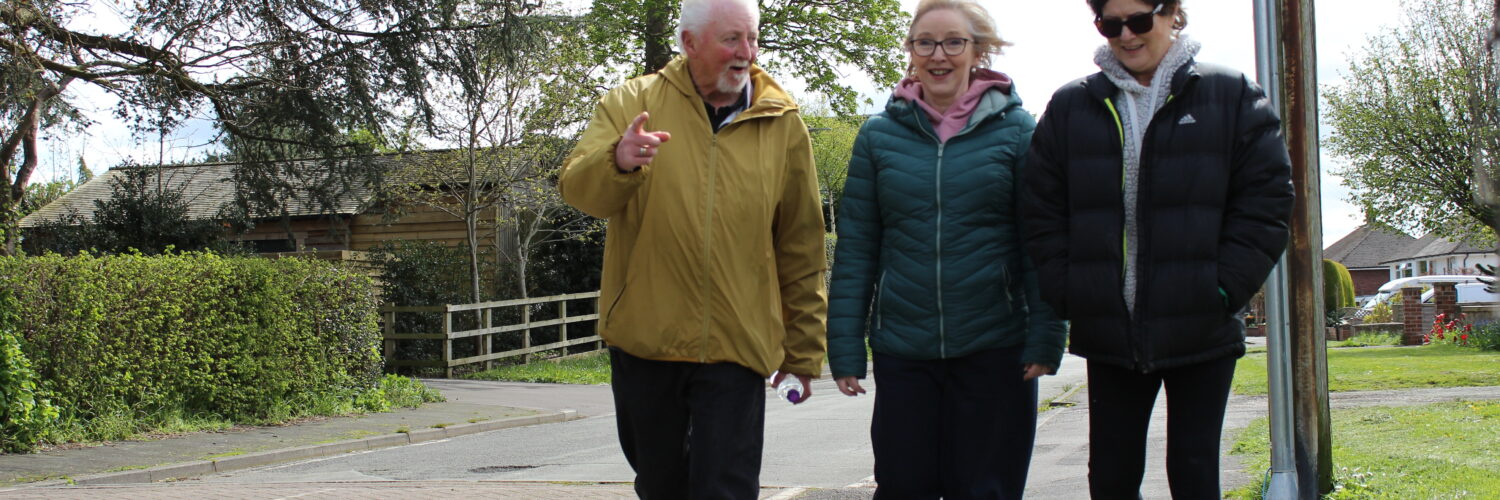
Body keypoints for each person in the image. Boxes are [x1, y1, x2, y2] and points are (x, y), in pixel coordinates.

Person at [1019, 0, 1294, 497]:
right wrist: (1071, 290)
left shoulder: (1230, 94)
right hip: (1108, 324)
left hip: (1201, 322)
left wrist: (1221, 287)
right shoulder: (1071, 105)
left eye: (1139, 21)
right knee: (1111, 475)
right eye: (1110, 24)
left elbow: (1267, 202)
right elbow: (1041, 209)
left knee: (1193, 470)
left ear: (1172, 15)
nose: (1126, 35)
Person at [556, 0, 829, 497]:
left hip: (739, 347)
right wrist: (616, 160)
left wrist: (804, 352)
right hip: (646, 339)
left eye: (752, 38)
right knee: (661, 486)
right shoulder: (630, 103)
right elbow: (579, 191)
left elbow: (801, 245)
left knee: (727, 487)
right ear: (689, 43)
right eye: (731, 39)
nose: (746, 52)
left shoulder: (782, 120)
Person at [826, 0, 1066, 497]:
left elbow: (1038, 243)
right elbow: (856, 249)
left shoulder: (1018, 131)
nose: (939, 55)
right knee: (903, 486)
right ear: (911, 51)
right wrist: (845, 347)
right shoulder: (878, 137)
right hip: (903, 350)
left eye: (954, 41)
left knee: (986, 489)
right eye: (925, 42)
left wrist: (1047, 335)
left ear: (977, 50)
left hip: (996, 349)